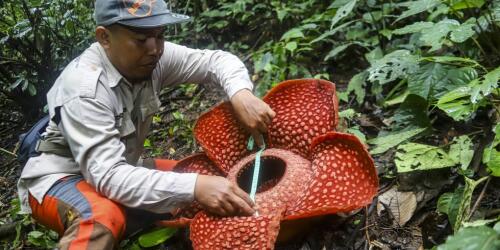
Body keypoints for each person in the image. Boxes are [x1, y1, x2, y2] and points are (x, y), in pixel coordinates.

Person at [17, 0, 276, 248]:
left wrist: (241, 93)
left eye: (160, 35)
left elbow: (216, 61)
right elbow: (109, 177)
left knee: (211, 177)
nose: (154, 49)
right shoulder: (84, 88)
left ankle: (144, 222)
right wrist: (194, 188)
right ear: (104, 37)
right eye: (141, 39)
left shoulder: (153, 56)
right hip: (61, 176)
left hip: (121, 166)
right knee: (102, 217)